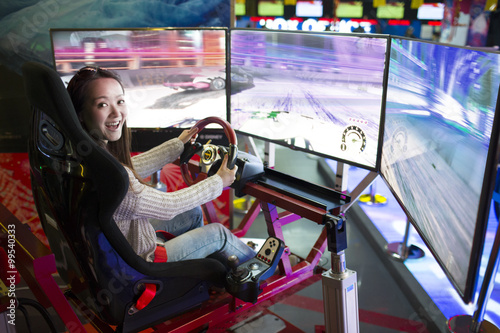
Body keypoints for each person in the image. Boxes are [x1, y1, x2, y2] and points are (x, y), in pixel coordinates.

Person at [66, 66, 256, 265]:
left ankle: (198, 274)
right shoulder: (111, 176)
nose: (116, 113)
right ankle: (255, 275)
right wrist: (219, 181)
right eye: (103, 105)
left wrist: (177, 146)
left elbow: (130, 169)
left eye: (120, 101)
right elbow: (168, 206)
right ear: (79, 113)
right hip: (142, 262)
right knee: (219, 235)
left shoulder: (87, 156)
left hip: (121, 247)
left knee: (192, 213)